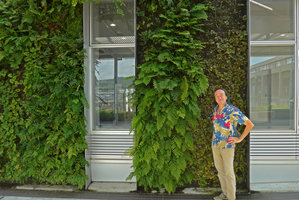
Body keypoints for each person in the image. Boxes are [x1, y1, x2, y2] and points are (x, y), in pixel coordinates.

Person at [211, 89, 254, 200]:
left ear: (226, 96)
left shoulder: (232, 110)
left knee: (229, 172)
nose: (219, 97)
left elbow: (249, 124)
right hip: (215, 146)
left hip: (227, 146)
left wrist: (239, 139)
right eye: (216, 95)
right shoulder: (215, 110)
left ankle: (231, 197)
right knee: (220, 172)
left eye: (221, 95)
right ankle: (225, 194)